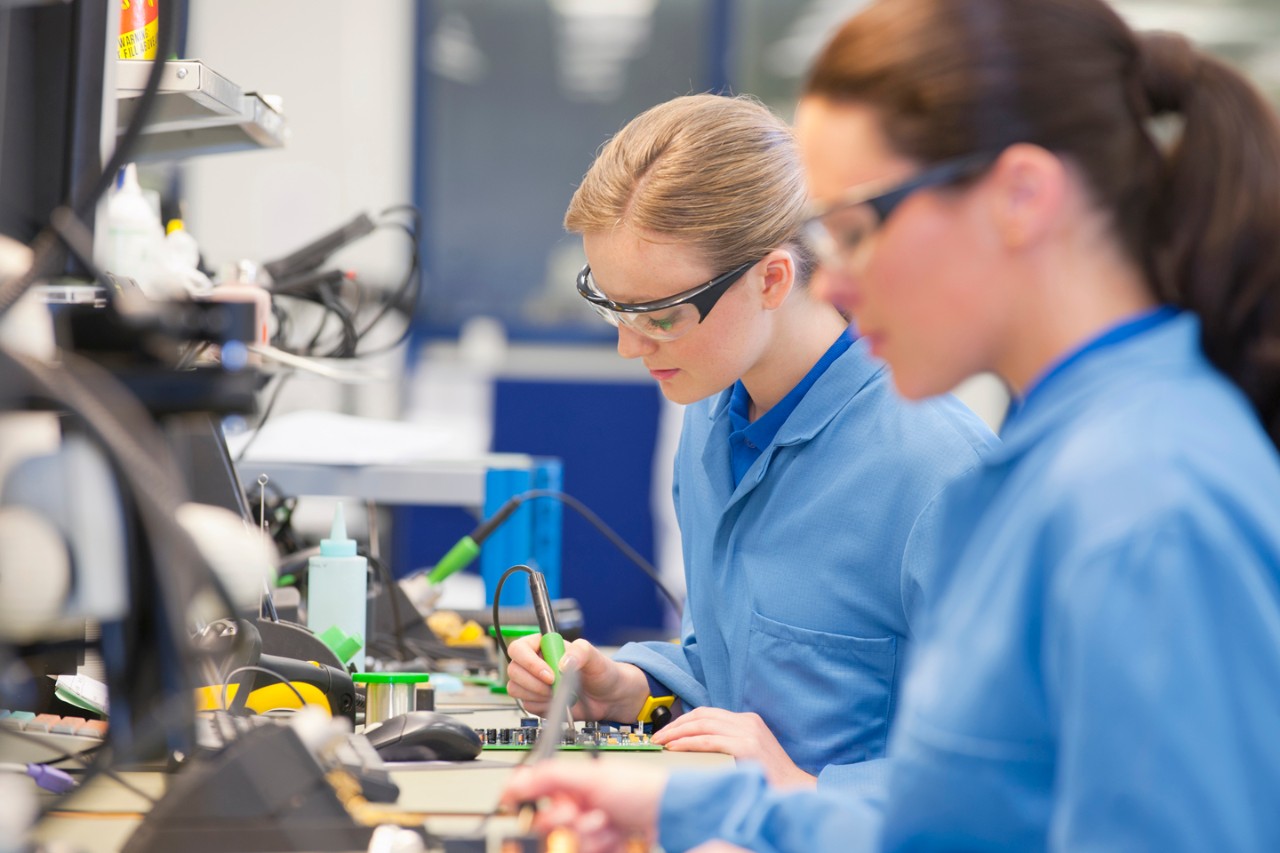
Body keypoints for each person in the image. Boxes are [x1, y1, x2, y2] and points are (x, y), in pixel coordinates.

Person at [500, 0, 1280, 850]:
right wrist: (686, 809)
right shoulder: (1054, 461)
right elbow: (965, 812)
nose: (829, 286)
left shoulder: (1145, 499)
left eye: (858, 230)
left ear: (1021, 196)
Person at [504, 93, 997, 789]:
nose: (626, 345)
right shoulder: (711, 415)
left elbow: (1009, 776)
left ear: (771, 278)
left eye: (661, 314)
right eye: (612, 303)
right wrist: (633, 686)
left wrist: (804, 787)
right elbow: (738, 663)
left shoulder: (940, 474)